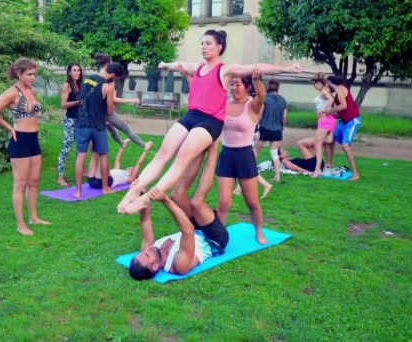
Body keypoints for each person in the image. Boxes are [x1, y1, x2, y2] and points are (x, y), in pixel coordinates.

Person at [117, 29, 303, 215]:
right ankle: (135, 190)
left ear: (219, 46)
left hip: (210, 122)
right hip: (192, 116)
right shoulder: (197, 67)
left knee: (181, 159)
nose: (203, 47)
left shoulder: (224, 71)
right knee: (162, 154)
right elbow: (179, 64)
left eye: (208, 43)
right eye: (202, 43)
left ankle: (145, 198)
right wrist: (166, 64)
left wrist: (286, 69)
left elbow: (256, 65)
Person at [129, 143, 229, 280]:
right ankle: (213, 149)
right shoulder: (178, 265)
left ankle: (200, 146)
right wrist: (165, 201)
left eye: (142, 252)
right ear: (155, 267)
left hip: (194, 230)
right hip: (213, 238)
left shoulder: (150, 250)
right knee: (197, 202)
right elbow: (188, 229)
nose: (146, 250)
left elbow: (145, 219)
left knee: (177, 195)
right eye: (146, 255)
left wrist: (142, 194)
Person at [0, 58, 50, 236]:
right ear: (19, 74)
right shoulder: (11, 92)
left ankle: (34, 217)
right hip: (19, 139)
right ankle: (20, 225)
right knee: (20, 185)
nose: (32, 77)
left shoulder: (31, 90)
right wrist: (9, 128)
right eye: (29, 74)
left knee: (34, 181)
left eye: (34, 74)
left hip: (33, 139)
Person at [216, 68, 269, 244]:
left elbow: (262, 97)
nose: (234, 88)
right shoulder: (225, 104)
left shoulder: (252, 105)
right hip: (226, 155)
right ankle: (220, 237)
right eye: (232, 84)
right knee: (223, 203)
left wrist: (257, 80)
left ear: (247, 87)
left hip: (245, 156)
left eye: (237, 84)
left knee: (252, 203)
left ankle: (259, 231)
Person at [73, 61, 125, 198]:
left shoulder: (87, 78)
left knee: (80, 156)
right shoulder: (107, 87)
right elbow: (110, 110)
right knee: (103, 155)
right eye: (116, 78)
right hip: (98, 125)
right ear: (113, 75)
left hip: (81, 124)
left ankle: (78, 191)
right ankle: (105, 188)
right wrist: (111, 92)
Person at [93, 53, 148, 150]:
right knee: (125, 128)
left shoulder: (97, 78)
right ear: (107, 64)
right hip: (106, 113)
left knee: (111, 129)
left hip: (99, 113)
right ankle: (144, 146)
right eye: (111, 61)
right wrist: (131, 100)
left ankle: (122, 143)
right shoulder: (109, 81)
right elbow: (113, 99)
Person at [321, 75, 361, 181]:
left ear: (329, 83)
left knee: (345, 146)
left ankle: (356, 174)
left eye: (326, 84)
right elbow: (342, 112)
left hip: (353, 121)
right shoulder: (338, 91)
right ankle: (329, 165)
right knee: (329, 140)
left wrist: (328, 111)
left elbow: (344, 106)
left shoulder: (339, 90)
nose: (326, 86)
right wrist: (330, 115)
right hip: (344, 121)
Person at [296, 73, 336, 177]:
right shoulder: (325, 90)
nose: (314, 85)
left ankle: (318, 169)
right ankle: (328, 165)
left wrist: (323, 110)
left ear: (320, 82)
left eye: (315, 83)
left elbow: (332, 100)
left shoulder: (324, 90)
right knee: (325, 143)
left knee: (318, 144)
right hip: (326, 119)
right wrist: (322, 111)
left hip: (326, 120)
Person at [254, 79, 287, 182]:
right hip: (277, 129)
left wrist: (256, 125)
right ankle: (277, 176)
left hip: (265, 127)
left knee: (255, 151)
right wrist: (282, 127)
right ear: (278, 87)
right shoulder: (283, 100)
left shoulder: (265, 98)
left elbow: (260, 114)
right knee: (274, 153)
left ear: (268, 86)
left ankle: (250, 172)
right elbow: (284, 117)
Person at [87, 139, 153, 189]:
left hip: (104, 182)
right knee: (94, 154)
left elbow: (139, 163)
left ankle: (96, 143)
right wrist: (123, 147)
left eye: (132, 169)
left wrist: (145, 151)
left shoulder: (130, 178)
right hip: (92, 182)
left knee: (102, 156)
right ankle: (92, 139)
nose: (131, 167)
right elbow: (117, 159)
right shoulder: (118, 170)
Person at [57, 63, 83, 187]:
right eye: (74, 70)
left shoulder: (81, 85)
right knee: (66, 148)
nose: (77, 72)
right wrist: (78, 102)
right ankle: (60, 176)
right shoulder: (67, 85)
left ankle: (81, 170)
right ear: (69, 72)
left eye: (79, 70)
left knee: (81, 147)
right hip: (70, 120)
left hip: (81, 120)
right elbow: (63, 104)